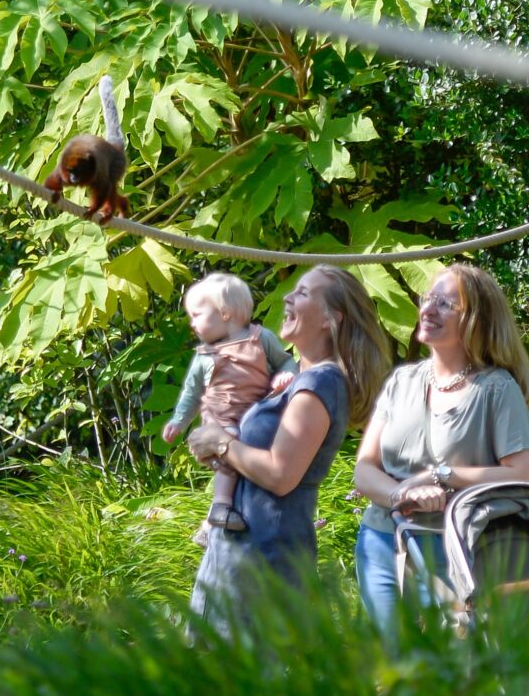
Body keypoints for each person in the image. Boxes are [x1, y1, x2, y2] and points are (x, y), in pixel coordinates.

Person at [186, 265, 391, 628]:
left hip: (264, 564)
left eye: (303, 293)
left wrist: (221, 443)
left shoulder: (320, 383)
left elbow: (281, 474)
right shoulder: (295, 378)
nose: (287, 297)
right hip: (239, 557)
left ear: (331, 319)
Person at [352, 263, 529, 641]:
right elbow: (364, 468)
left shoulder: (496, 389)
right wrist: (400, 495)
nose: (428, 310)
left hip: (453, 548)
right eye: (427, 299)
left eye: (445, 304)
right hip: (381, 541)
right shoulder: (402, 381)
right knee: (395, 661)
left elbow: (524, 473)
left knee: (445, 667)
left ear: (475, 320)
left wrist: (443, 477)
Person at [161, 272, 297, 539]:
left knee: (254, 457)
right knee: (230, 445)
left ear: (224, 313)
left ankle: (208, 528)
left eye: (197, 315)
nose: (192, 324)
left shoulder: (261, 338)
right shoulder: (205, 356)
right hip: (220, 420)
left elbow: (286, 361)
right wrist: (179, 421)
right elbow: (191, 392)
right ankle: (220, 507)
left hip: (255, 415)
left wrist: (285, 373)